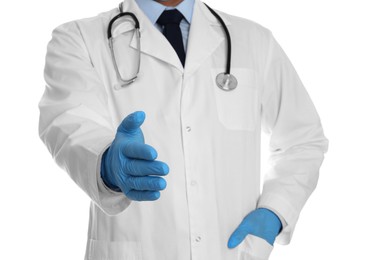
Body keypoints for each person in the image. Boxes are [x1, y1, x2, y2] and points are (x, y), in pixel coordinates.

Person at [38, 0, 328, 259]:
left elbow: (303, 139)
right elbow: (68, 122)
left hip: (230, 250)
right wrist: (106, 164)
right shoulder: (78, 40)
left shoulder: (254, 41)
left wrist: (274, 212)